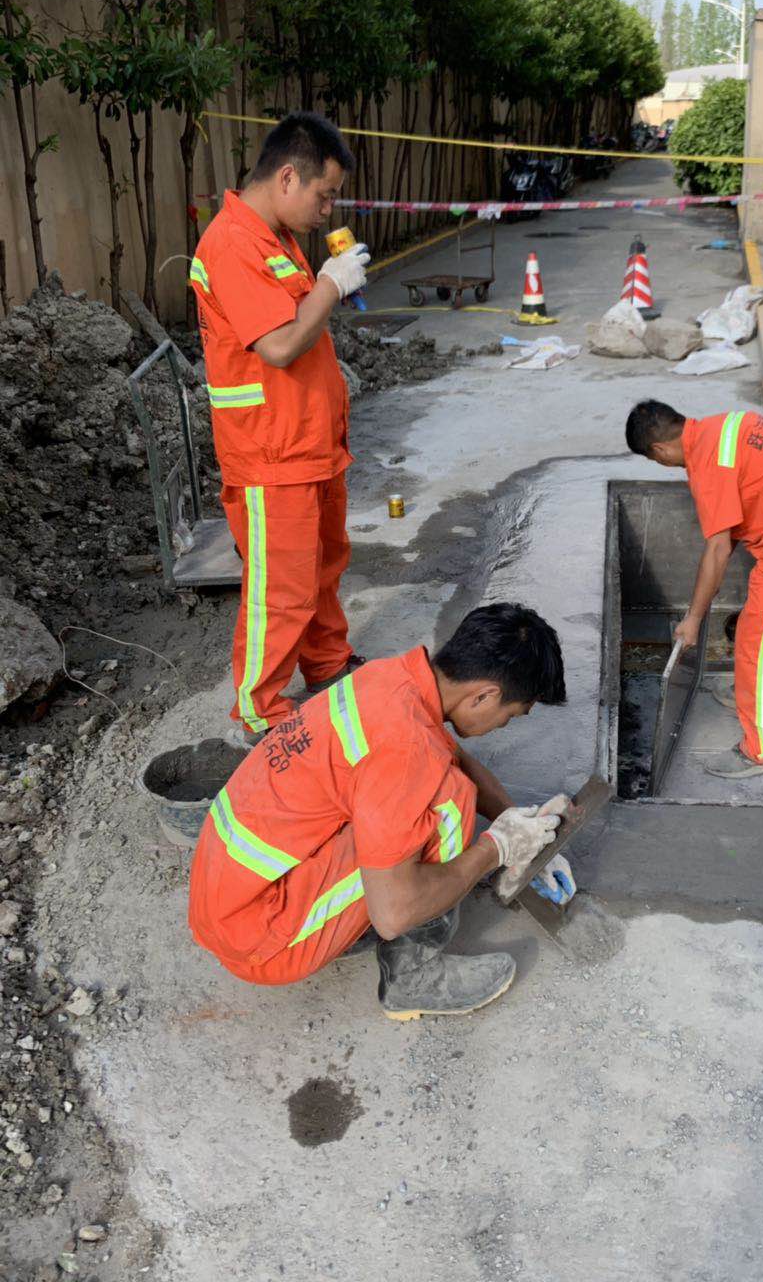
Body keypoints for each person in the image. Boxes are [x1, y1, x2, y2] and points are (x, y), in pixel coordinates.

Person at [187, 603, 575, 1020]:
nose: (504, 726)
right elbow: (393, 916)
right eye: (511, 716)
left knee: (445, 776)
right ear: (484, 695)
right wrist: (495, 850)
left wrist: (523, 826)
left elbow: (455, 756)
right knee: (449, 804)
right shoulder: (406, 749)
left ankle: (351, 914)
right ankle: (412, 977)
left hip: (224, 896)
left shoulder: (392, 678)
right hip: (261, 941)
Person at [189, 112, 372, 746]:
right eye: (324, 195)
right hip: (271, 454)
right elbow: (280, 345)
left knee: (322, 569)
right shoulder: (233, 243)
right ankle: (259, 709)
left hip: (310, 445)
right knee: (283, 589)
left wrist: (323, 282)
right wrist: (329, 284)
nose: (328, 210)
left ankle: (325, 663)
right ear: (287, 176)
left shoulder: (275, 237)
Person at [625, 401, 763, 779]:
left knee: (762, 645)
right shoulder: (720, 427)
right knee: (754, 633)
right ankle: (752, 695)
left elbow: (718, 548)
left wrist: (693, 619)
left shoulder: (709, 465)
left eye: (656, 460)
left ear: (659, 451)